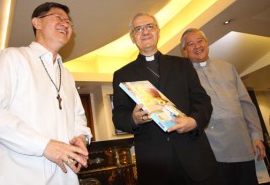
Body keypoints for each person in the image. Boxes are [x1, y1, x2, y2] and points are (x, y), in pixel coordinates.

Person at [0, 2, 92, 185]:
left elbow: (78, 118)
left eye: (69, 21)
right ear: (37, 23)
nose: (66, 24)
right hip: (23, 175)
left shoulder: (66, 74)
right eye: (58, 17)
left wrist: (81, 138)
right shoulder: (13, 57)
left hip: (66, 175)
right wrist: (44, 145)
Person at [112, 13, 219, 185]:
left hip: (194, 156)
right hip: (155, 164)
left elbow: (202, 101)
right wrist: (133, 118)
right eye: (138, 29)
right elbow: (118, 115)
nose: (145, 32)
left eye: (149, 26)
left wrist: (193, 121)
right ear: (132, 38)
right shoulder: (123, 74)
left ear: (158, 31)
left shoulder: (183, 65)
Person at [180, 28, 266, 185]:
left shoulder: (228, 67)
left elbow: (246, 104)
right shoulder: (183, 76)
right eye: (190, 44)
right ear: (184, 51)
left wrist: (256, 136)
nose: (197, 46)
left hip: (243, 145)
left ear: (207, 43)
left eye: (200, 41)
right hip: (212, 152)